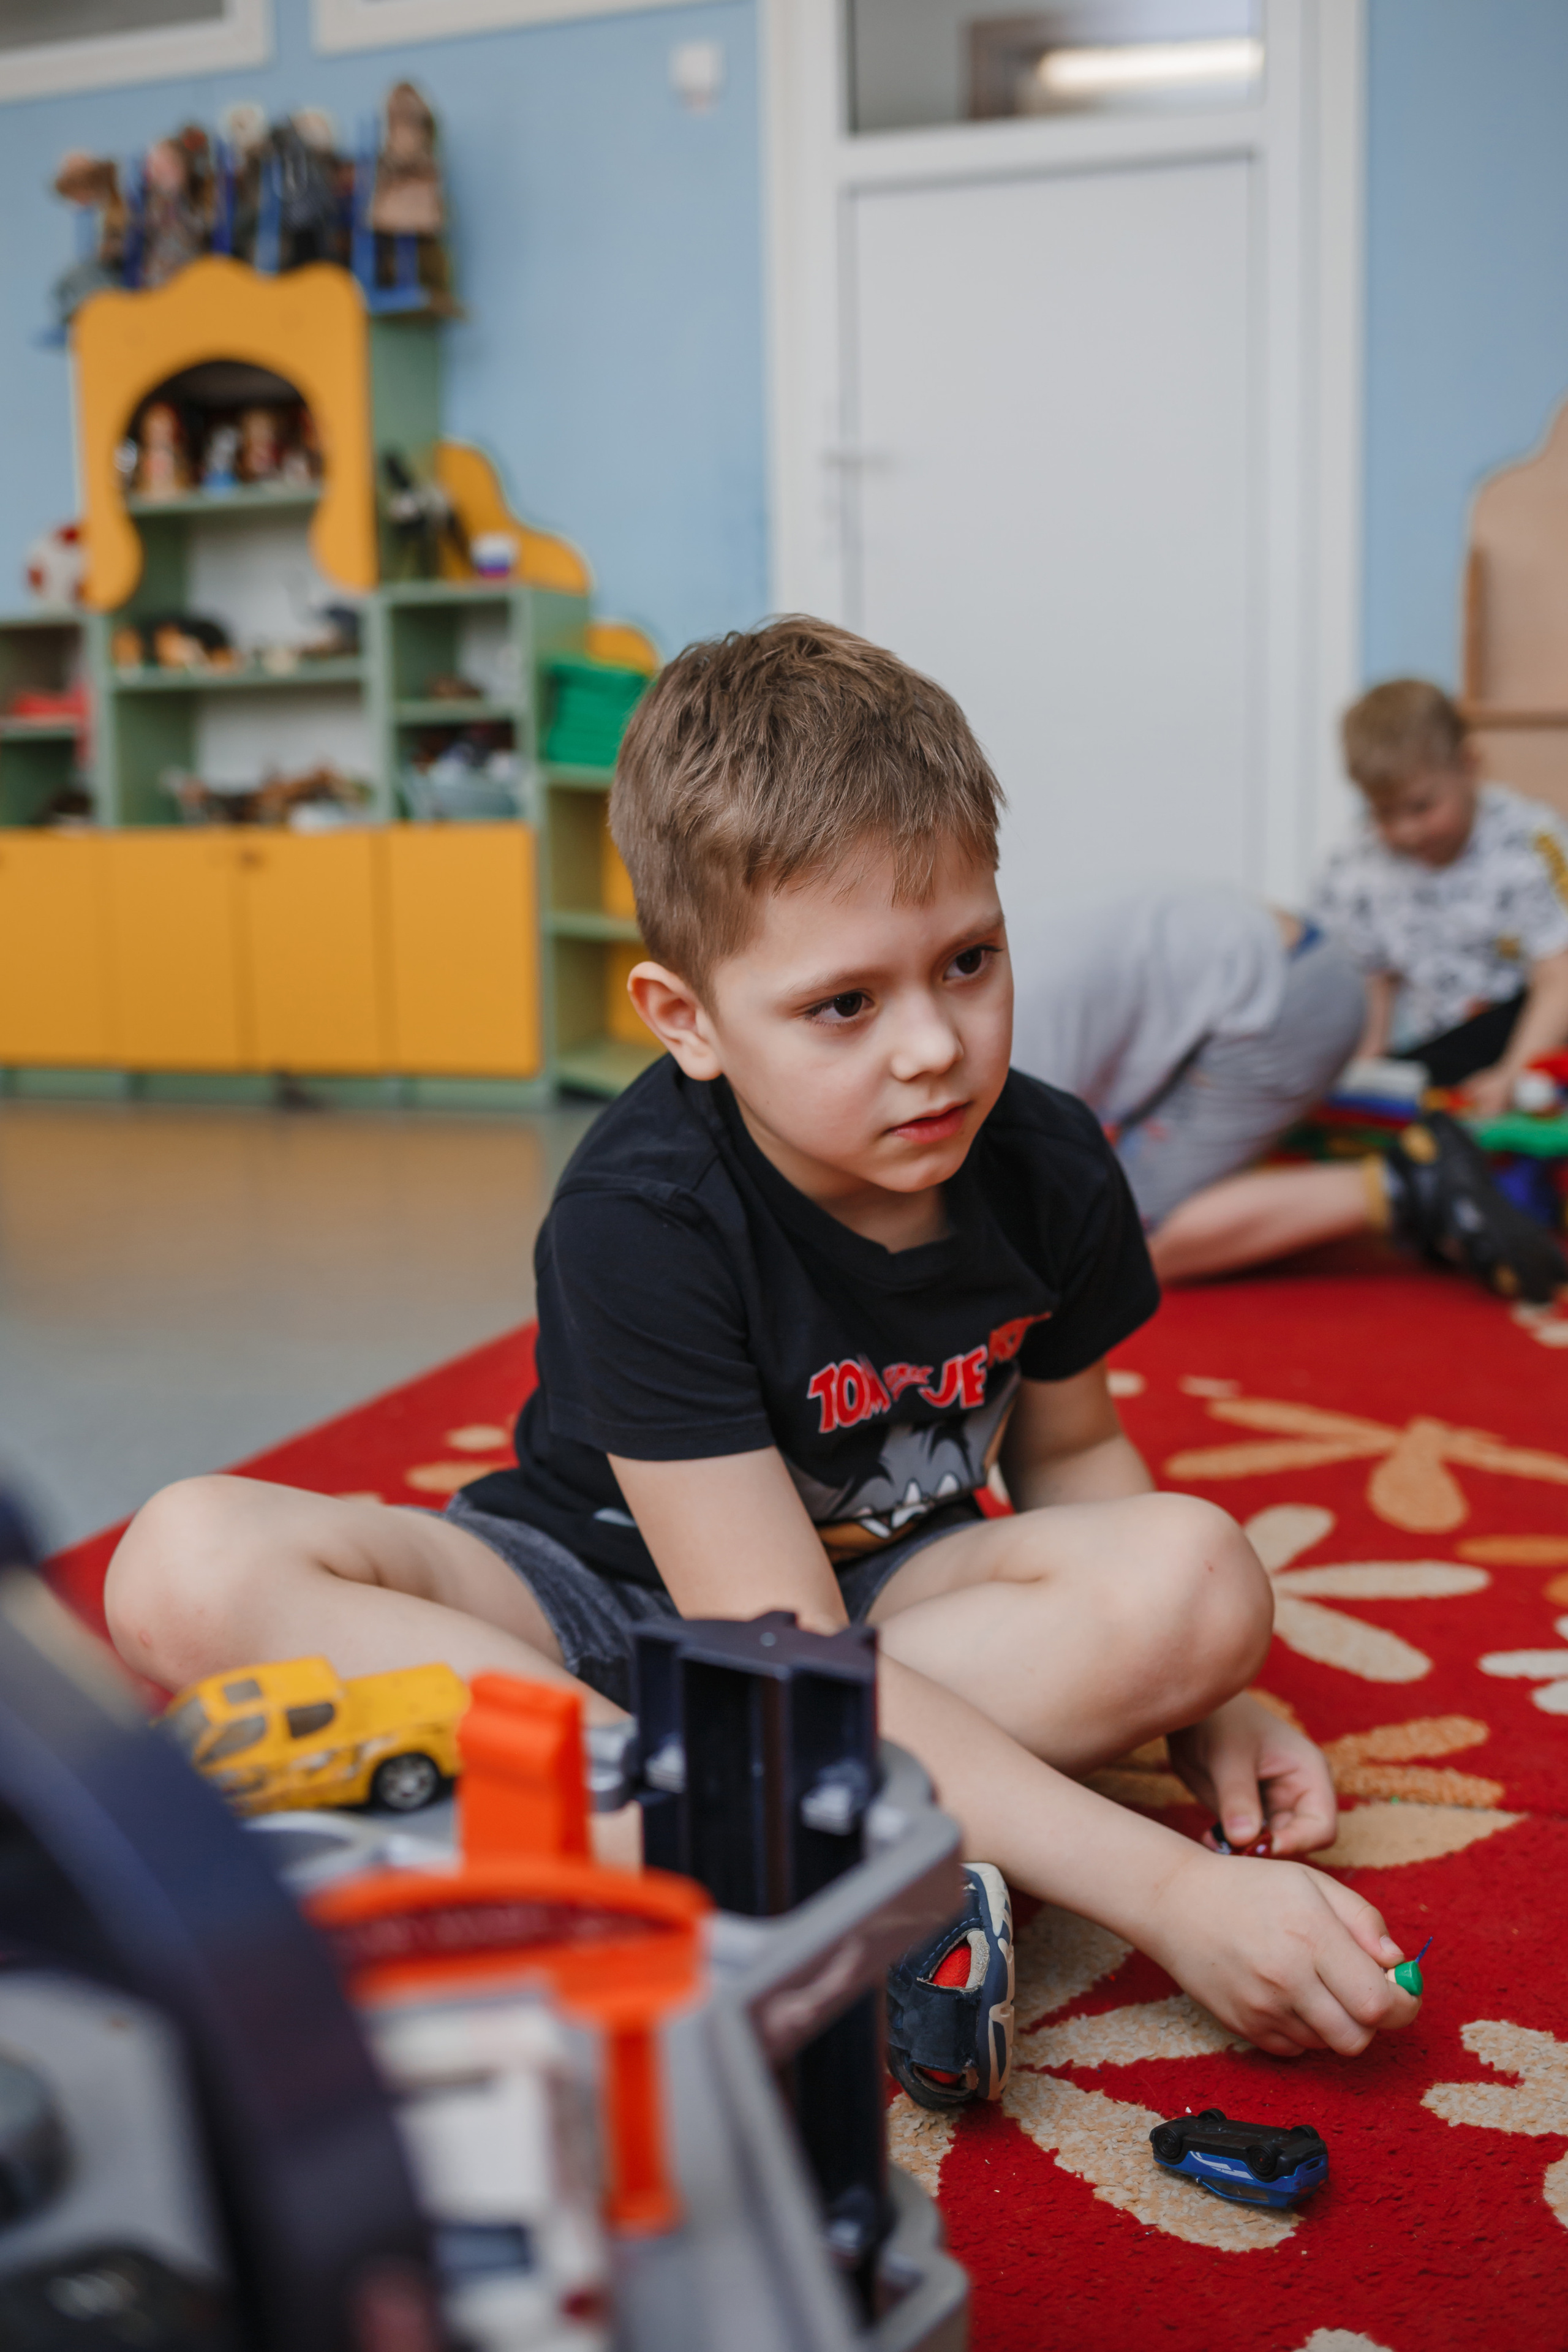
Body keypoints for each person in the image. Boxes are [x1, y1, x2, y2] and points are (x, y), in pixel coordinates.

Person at [105, 619, 1419, 2101]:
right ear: (688, 1021)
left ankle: (699, 1830)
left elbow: (1070, 1454)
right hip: (572, 1603)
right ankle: (776, 1826)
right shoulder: (641, 1213)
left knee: (1201, 1582)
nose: (931, 1046)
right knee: (182, 1563)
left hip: (879, 1607)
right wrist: (1170, 1890)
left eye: (968, 962)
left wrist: (1205, 1696)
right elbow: (766, 1640)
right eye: (843, 1004)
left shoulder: (1048, 1160)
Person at [1011, 880, 1566, 1300]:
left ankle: (1408, 1183)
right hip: (1290, 961)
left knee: (1117, 1242)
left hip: (1285, 1002)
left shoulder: (1013, 1036)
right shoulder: (1000, 958)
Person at [1316, 677, 1568, 1117]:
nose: (1406, 831)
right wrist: (1364, 1073)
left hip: (1535, 1035)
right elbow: (1373, 985)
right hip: (1445, 1050)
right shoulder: (1355, 865)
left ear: (1469, 766)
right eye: (1384, 812)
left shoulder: (1532, 840)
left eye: (1422, 807)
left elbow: (1558, 979)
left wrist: (1512, 1074)